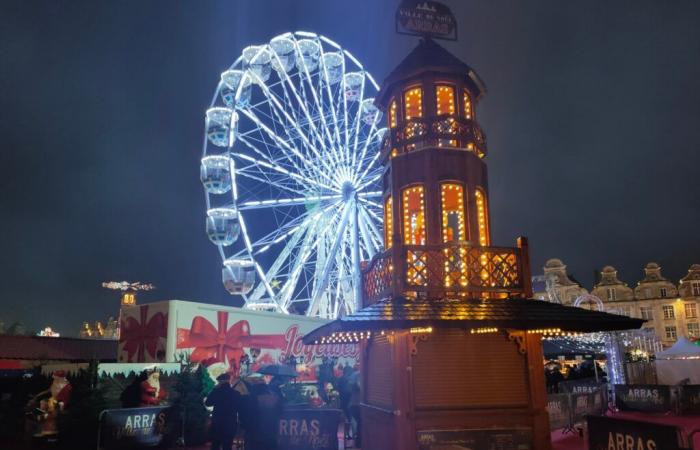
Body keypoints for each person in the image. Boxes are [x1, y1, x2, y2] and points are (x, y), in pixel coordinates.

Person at [245, 376, 283, 450]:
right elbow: (280, 411)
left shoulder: (252, 397)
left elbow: (248, 414)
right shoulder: (274, 396)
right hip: (271, 431)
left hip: (255, 433)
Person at [205, 373, 242, 450]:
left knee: (215, 445)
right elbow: (240, 408)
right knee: (227, 446)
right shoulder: (236, 393)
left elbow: (208, 403)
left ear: (220, 382)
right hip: (231, 423)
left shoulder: (216, 392)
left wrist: (214, 389)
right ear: (228, 381)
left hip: (217, 423)